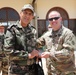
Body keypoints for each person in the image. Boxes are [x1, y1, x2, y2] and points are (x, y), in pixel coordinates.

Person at [3, 4, 39, 75]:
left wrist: (37, 54)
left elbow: (34, 47)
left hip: (32, 70)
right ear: (20, 13)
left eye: (30, 14)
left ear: (32, 17)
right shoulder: (12, 29)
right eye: (25, 13)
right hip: (17, 71)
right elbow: (8, 51)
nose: (27, 16)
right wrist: (27, 55)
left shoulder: (33, 30)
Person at [37, 11, 76, 75]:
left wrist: (50, 54)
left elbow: (68, 52)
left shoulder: (68, 34)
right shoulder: (47, 35)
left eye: (56, 18)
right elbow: (36, 43)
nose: (53, 20)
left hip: (66, 72)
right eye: (51, 19)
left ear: (60, 19)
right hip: (51, 72)